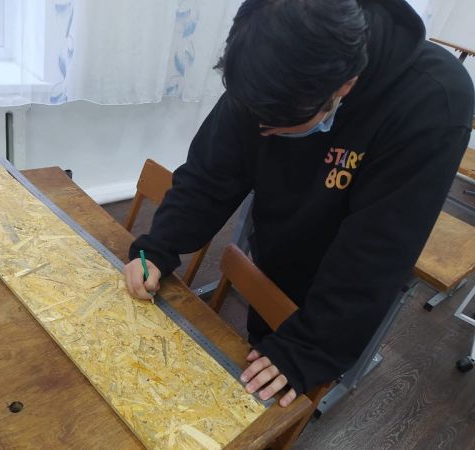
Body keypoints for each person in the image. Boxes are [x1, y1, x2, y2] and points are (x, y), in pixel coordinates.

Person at [124, 0, 474, 407]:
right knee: (260, 342)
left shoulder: (434, 98)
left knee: (274, 394)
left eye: (276, 126)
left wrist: (309, 346)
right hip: (279, 248)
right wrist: (159, 246)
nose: (261, 132)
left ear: (344, 87)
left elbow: (379, 249)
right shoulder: (271, 42)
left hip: (337, 285)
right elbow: (211, 170)